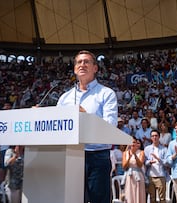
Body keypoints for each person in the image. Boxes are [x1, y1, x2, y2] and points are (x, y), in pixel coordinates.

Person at [57, 50, 118, 203]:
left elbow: (110, 126)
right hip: (71, 156)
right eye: (79, 62)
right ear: (74, 69)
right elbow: (56, 126)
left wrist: (87, 116)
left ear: (95, 68)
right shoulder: (65, 98)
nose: (82, 65)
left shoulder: (106, 94)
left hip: (97, 156)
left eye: (86, 62)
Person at [144, 130, 168, 203]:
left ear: (159, 137)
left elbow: (167, 162)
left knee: (162, 198)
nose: (154, 137)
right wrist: (149, 162)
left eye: (156, 136)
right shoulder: (147, 148)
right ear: (151, 138)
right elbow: (144, 161)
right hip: (150, 176)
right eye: (152, 136)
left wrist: (159, 159)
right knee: (152, 198)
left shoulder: (164, 149)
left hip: (161, 175)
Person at [122, 137, 146, 203]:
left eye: (134, 142)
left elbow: (140, 165)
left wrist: (135, 155)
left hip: (138, 175)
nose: (133, 144)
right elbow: (124, 167)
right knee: (129, 195)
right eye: (132, 142)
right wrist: (129, 157)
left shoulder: (141, 152)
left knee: (139, 194)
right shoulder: (125, 153)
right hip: (129, 176)